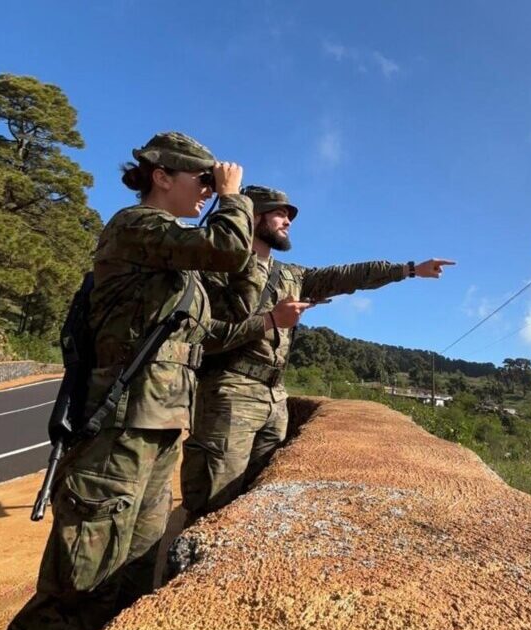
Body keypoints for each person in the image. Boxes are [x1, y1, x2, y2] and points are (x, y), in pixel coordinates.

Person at [0, 134, 304, 630]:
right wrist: (235, 199)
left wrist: (265, 310)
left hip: (160, 428)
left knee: (134, 576)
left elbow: (216, 323)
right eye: (203, 182)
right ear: (161, 175)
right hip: (116, 426)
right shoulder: (135, 227)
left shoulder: (174, 258)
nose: (210, 193)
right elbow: (227, 249)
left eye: (216, 185)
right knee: (80, 582)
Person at [180, 184, 456, 518]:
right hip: (229, 394)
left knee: (256, 504)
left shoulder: (291, 275)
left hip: (275, 399)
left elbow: (347, 276)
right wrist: (269, 321)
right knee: (213, 506)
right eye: (280, 213)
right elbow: (204, 337)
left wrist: (409, 269)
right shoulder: (217, 270)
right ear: (252, 216)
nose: (288, 221)